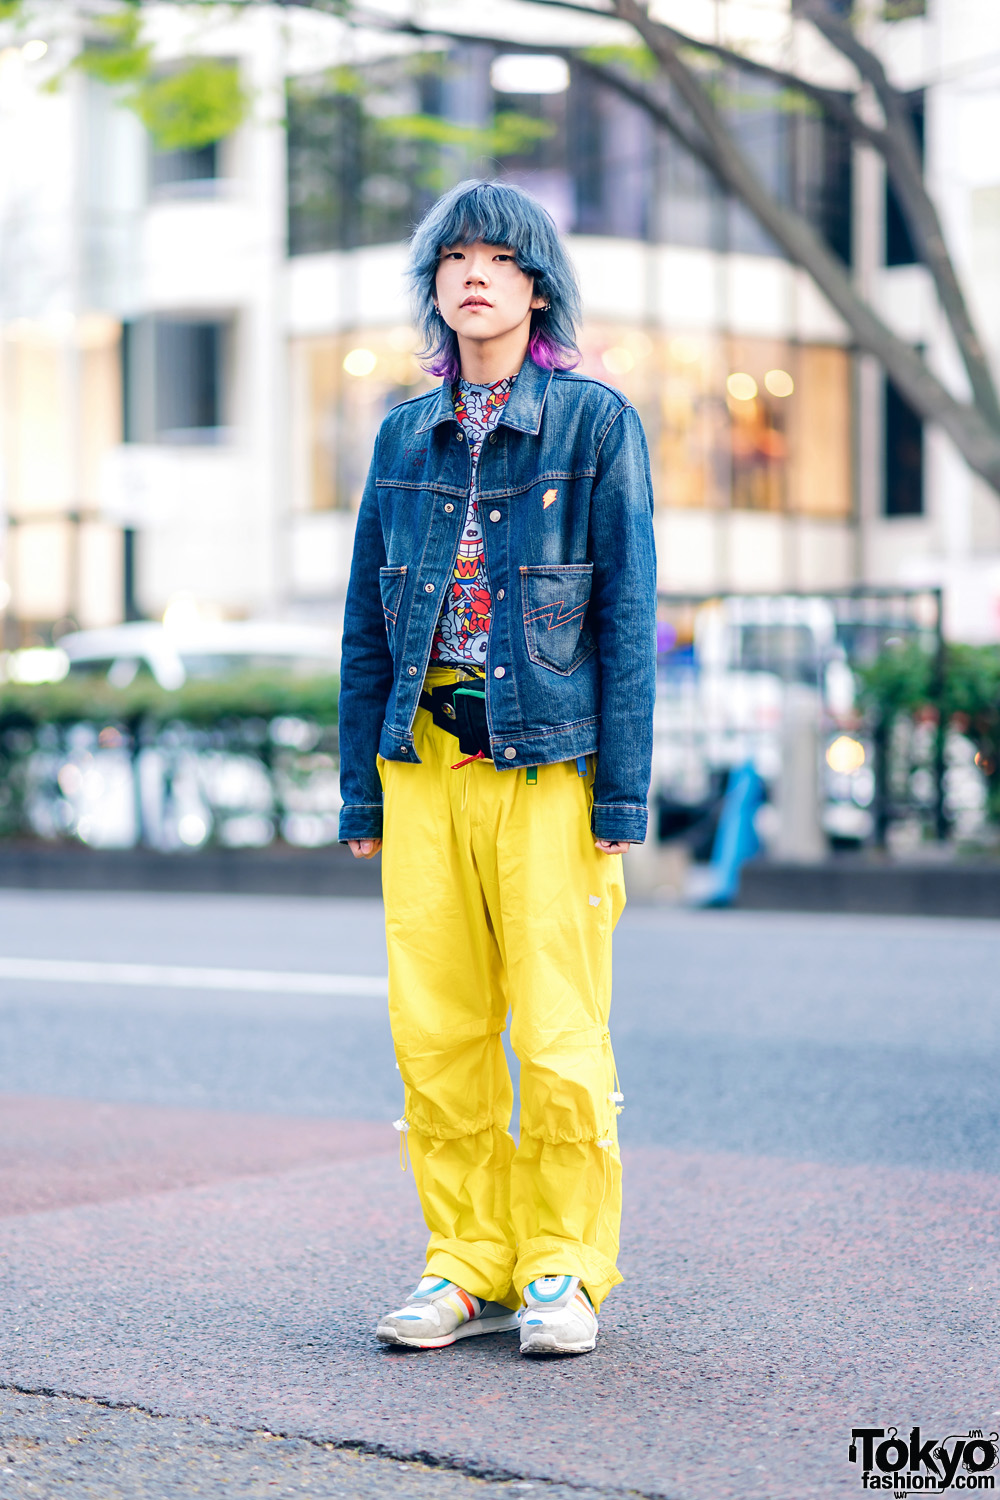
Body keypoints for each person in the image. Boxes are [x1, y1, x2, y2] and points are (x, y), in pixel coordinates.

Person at [338, 179, 656, 1356]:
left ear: (535, 289)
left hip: (547, 772)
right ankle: (464, 1262)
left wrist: (620, 792)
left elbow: (626, 618)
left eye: (496, 259)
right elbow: (365, 627)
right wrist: (360, 784)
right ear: (435, 290)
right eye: (452, 259)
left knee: (560, 1033)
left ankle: (563, 1268)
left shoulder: (592, 424)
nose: (472, 275)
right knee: (437, 1030)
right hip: (422, 766)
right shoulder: (400, 434)